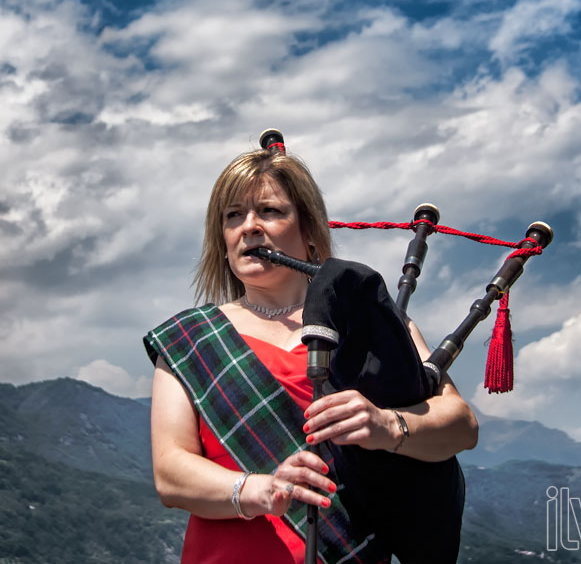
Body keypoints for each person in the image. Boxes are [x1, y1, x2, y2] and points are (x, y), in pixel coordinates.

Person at [145, 145, 478, 564]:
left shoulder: (368, 322)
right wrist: (262, 490)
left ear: (308, 230)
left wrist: (387, 426)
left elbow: (461, 426)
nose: (249, 227)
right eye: (233, 215)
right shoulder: (189, 338)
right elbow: (171, 474)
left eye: (269, 211)